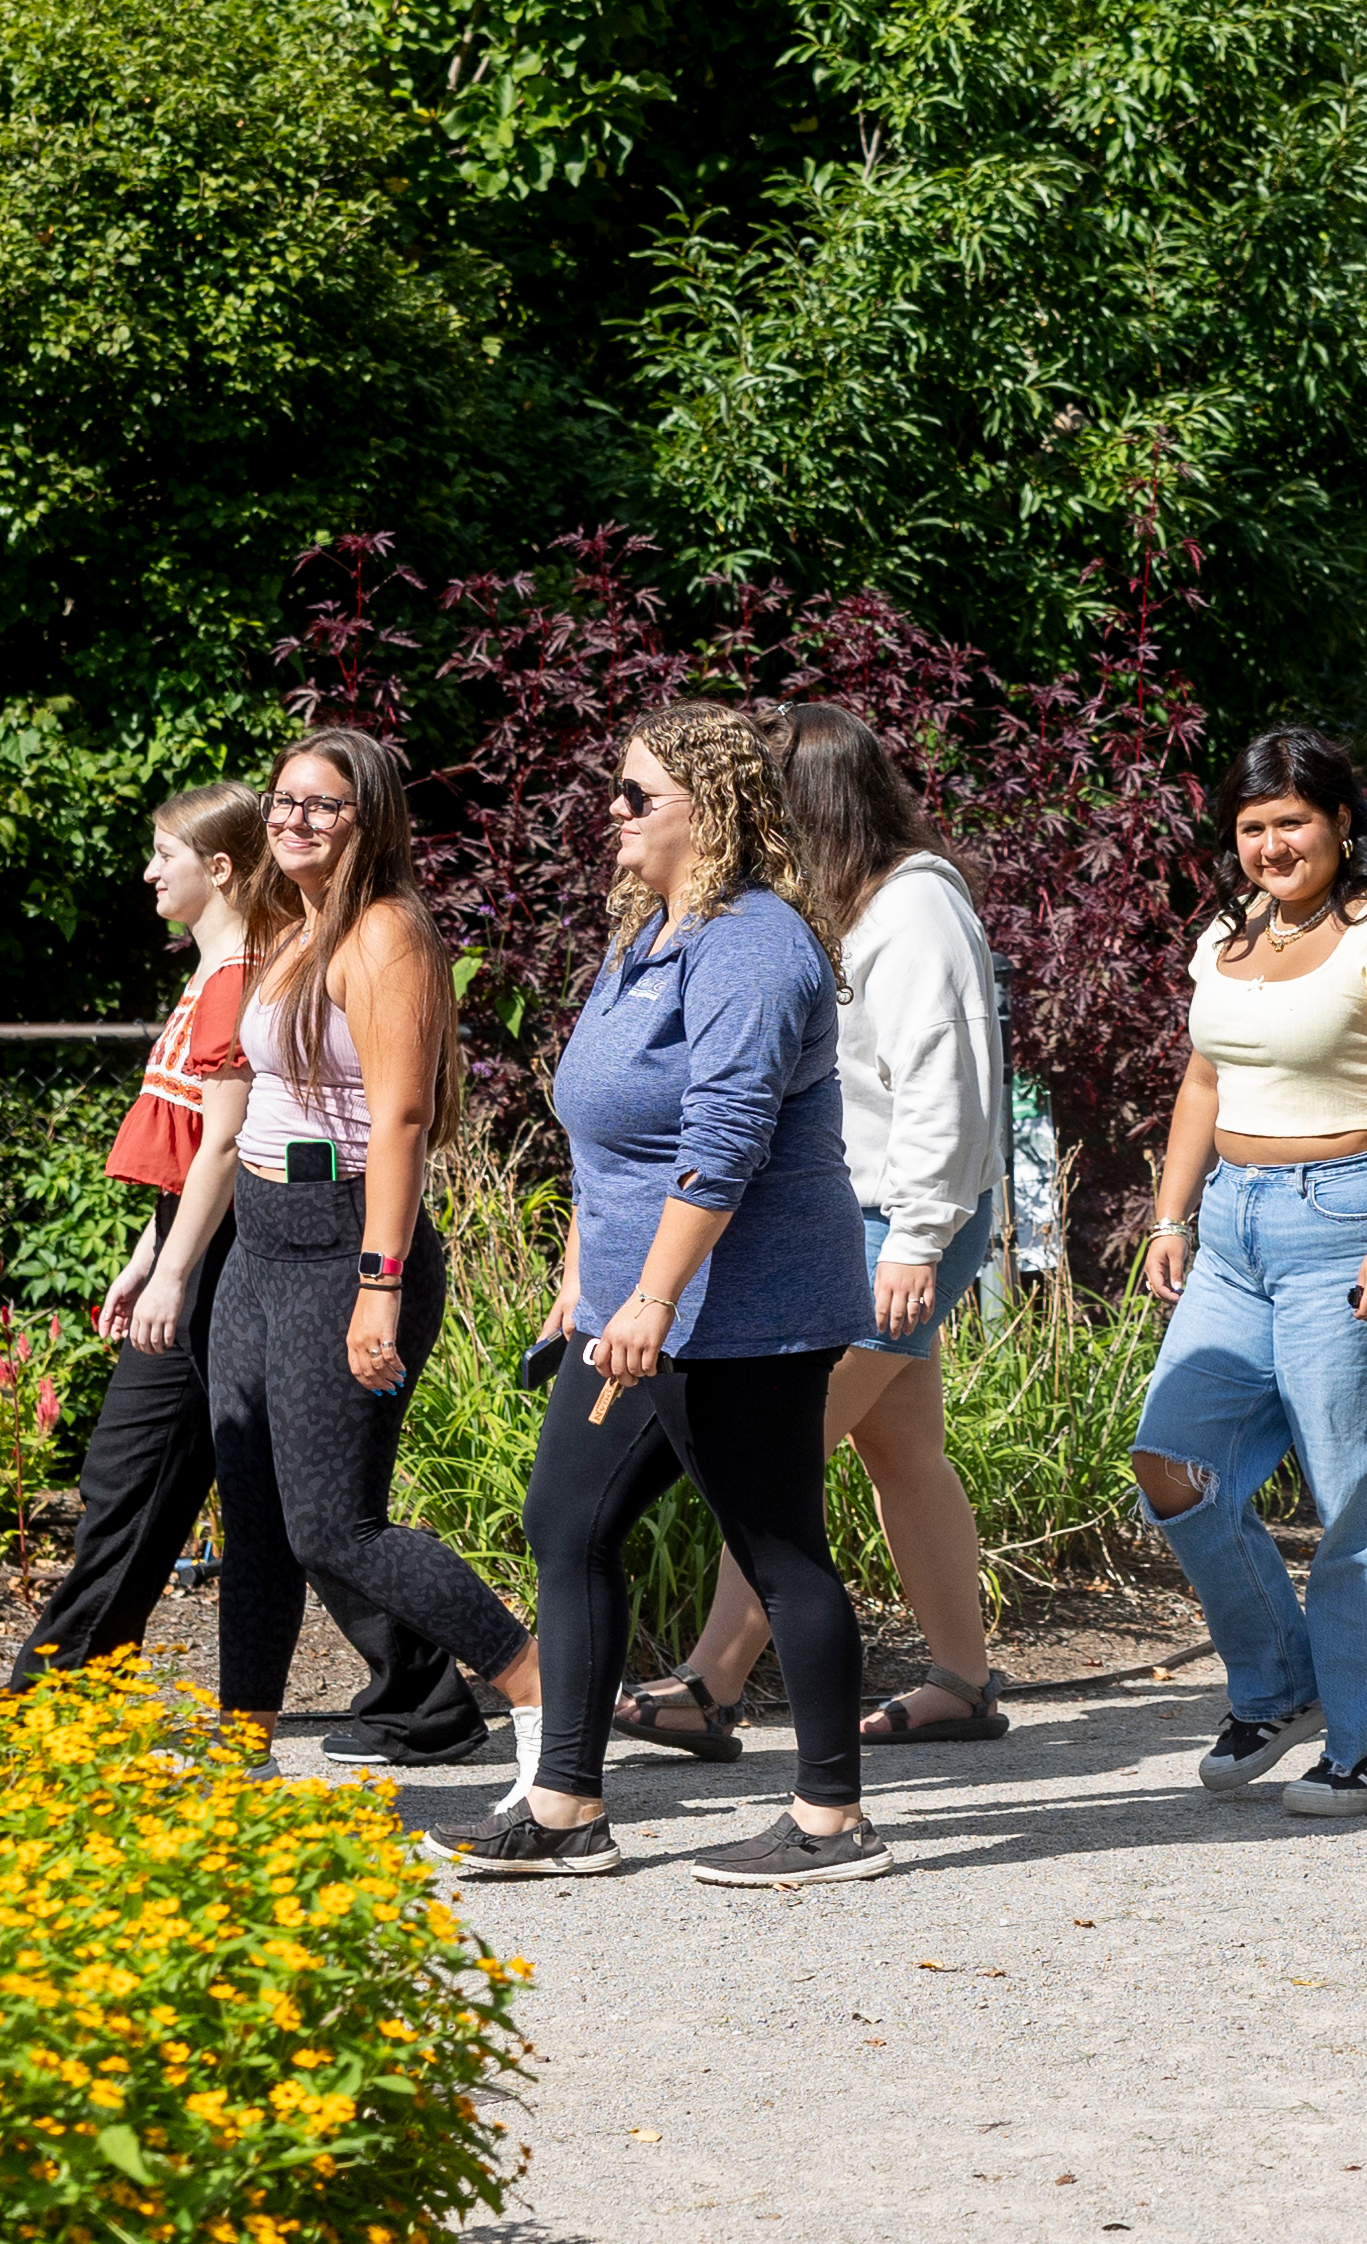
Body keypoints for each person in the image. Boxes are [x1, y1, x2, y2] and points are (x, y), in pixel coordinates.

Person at [458, 703, 891, 1888]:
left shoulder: (750, 941)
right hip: (641, 1308)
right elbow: (613, 1145)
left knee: (776, 1547)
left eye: (635, 792)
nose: (613, 809)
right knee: (567, 1518)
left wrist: (648, 1295)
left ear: (712, 807)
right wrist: (585, 1284)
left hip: (739, 1312)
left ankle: (832, 1820)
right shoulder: (651, 931)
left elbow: (726, 1137)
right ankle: (565, 1805)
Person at [9, 785, 482, 1760]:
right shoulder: (230, 973)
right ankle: (415, 1696)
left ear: (217, 867)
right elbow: (195, 1149)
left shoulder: (258, 971)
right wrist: (150, 1257)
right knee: (263, 1505)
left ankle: (54, 1699)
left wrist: (175, 1273)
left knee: (185, 1490)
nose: (149, 871)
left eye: (164, 853)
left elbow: (229, 1147)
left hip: (248, 1252)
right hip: (207, 1247)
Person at [622, 702, 1013, 1756]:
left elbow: (948, 1085)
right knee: (903, 1451)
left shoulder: (915, 908)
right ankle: (964, 1681)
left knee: (775, 1452)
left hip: (898, 1218)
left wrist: (919, 1240)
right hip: (867, 1215)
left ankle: (710, 1682)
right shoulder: (835, 910)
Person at [213, 733, 553, 1788]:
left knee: (337, 1528)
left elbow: (401, 1117)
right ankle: (241, 1754)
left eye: (324, 805)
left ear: (371, 819)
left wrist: (379, 1282)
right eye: (283, 800)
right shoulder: (292, 922)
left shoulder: (385, 931)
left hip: (346, 1240)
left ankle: (545, 1686)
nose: (294, 819)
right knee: (257, 1515)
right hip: (259, 1234)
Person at [1133, 727, 1367, 1821]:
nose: (1272, 845)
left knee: (1357, 1492)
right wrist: (1171, 1212)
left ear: (1340, 825)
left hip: (1350, 1218)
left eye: (1293, 823)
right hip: (1232, 1226)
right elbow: (1200, 1083)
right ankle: (1278, 1686)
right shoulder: (1227, 933)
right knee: (1173, 1461)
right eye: (1252, 826)